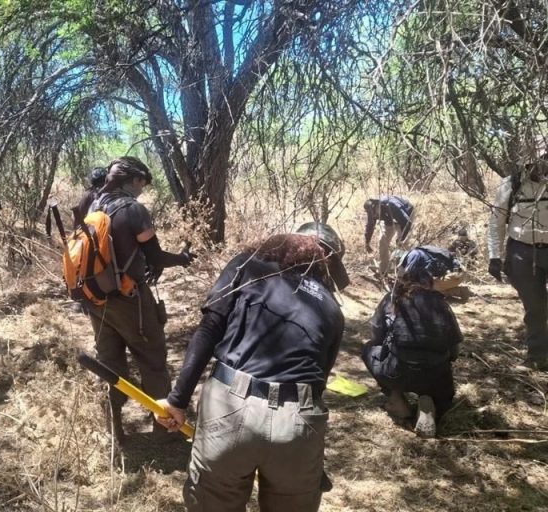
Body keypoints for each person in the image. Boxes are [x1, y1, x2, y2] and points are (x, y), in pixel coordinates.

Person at [155, 224, 349, 512]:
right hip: (298, 421)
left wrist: (177, 401)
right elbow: (317, 384)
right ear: (330, 266)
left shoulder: (248, 266)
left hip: (230, 407)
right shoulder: (333, 309)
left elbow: (209, 329)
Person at [87, 156, 194, 442]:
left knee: (108, 362)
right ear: (134, 180)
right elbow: (155, 256)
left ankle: (114, 429)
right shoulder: (133, 209)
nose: (142, 189)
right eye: (142, 183)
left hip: (97, 300)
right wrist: (182, 258)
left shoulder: (94, 205)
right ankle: (165, 431)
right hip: (130, 299)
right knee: (152, 359)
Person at [361, 268, 463, 438]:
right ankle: (428, 399)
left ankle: (396, 398)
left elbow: (377, 336)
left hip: (398, 372)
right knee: (436, 382)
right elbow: (454, 352)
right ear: (430, 283)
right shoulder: (442, 304)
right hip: (438, 378)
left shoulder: (392, 299)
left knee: (367, 349)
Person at [488, 153, 548, 371]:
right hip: (522, 251)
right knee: (534, 306)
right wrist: (494, 256)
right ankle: (538, 356)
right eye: (538, 162)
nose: (541, 167)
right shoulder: (511, 184)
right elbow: (496, 222)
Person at [364, 196, 415, 277]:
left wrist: (402, 239)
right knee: (382, 241)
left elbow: (407, 223)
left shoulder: (391, 206)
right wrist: (367, 242)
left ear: (377, 206)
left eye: (375, 214)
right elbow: (370, 225)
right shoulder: (372, 211)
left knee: (402, 246)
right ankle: (383, 270)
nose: (374, 216)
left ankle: (402, 273)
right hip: (389, 219)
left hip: (406, 216)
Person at [397, 245, 468, 298]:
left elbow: (409, 274)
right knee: (428, 286)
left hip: (457, 274)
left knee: (426, 289)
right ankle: (453, 288)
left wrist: (401, 283)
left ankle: (460, 291)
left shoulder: (413, 255)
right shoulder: (419, 251)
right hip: (459, 272)